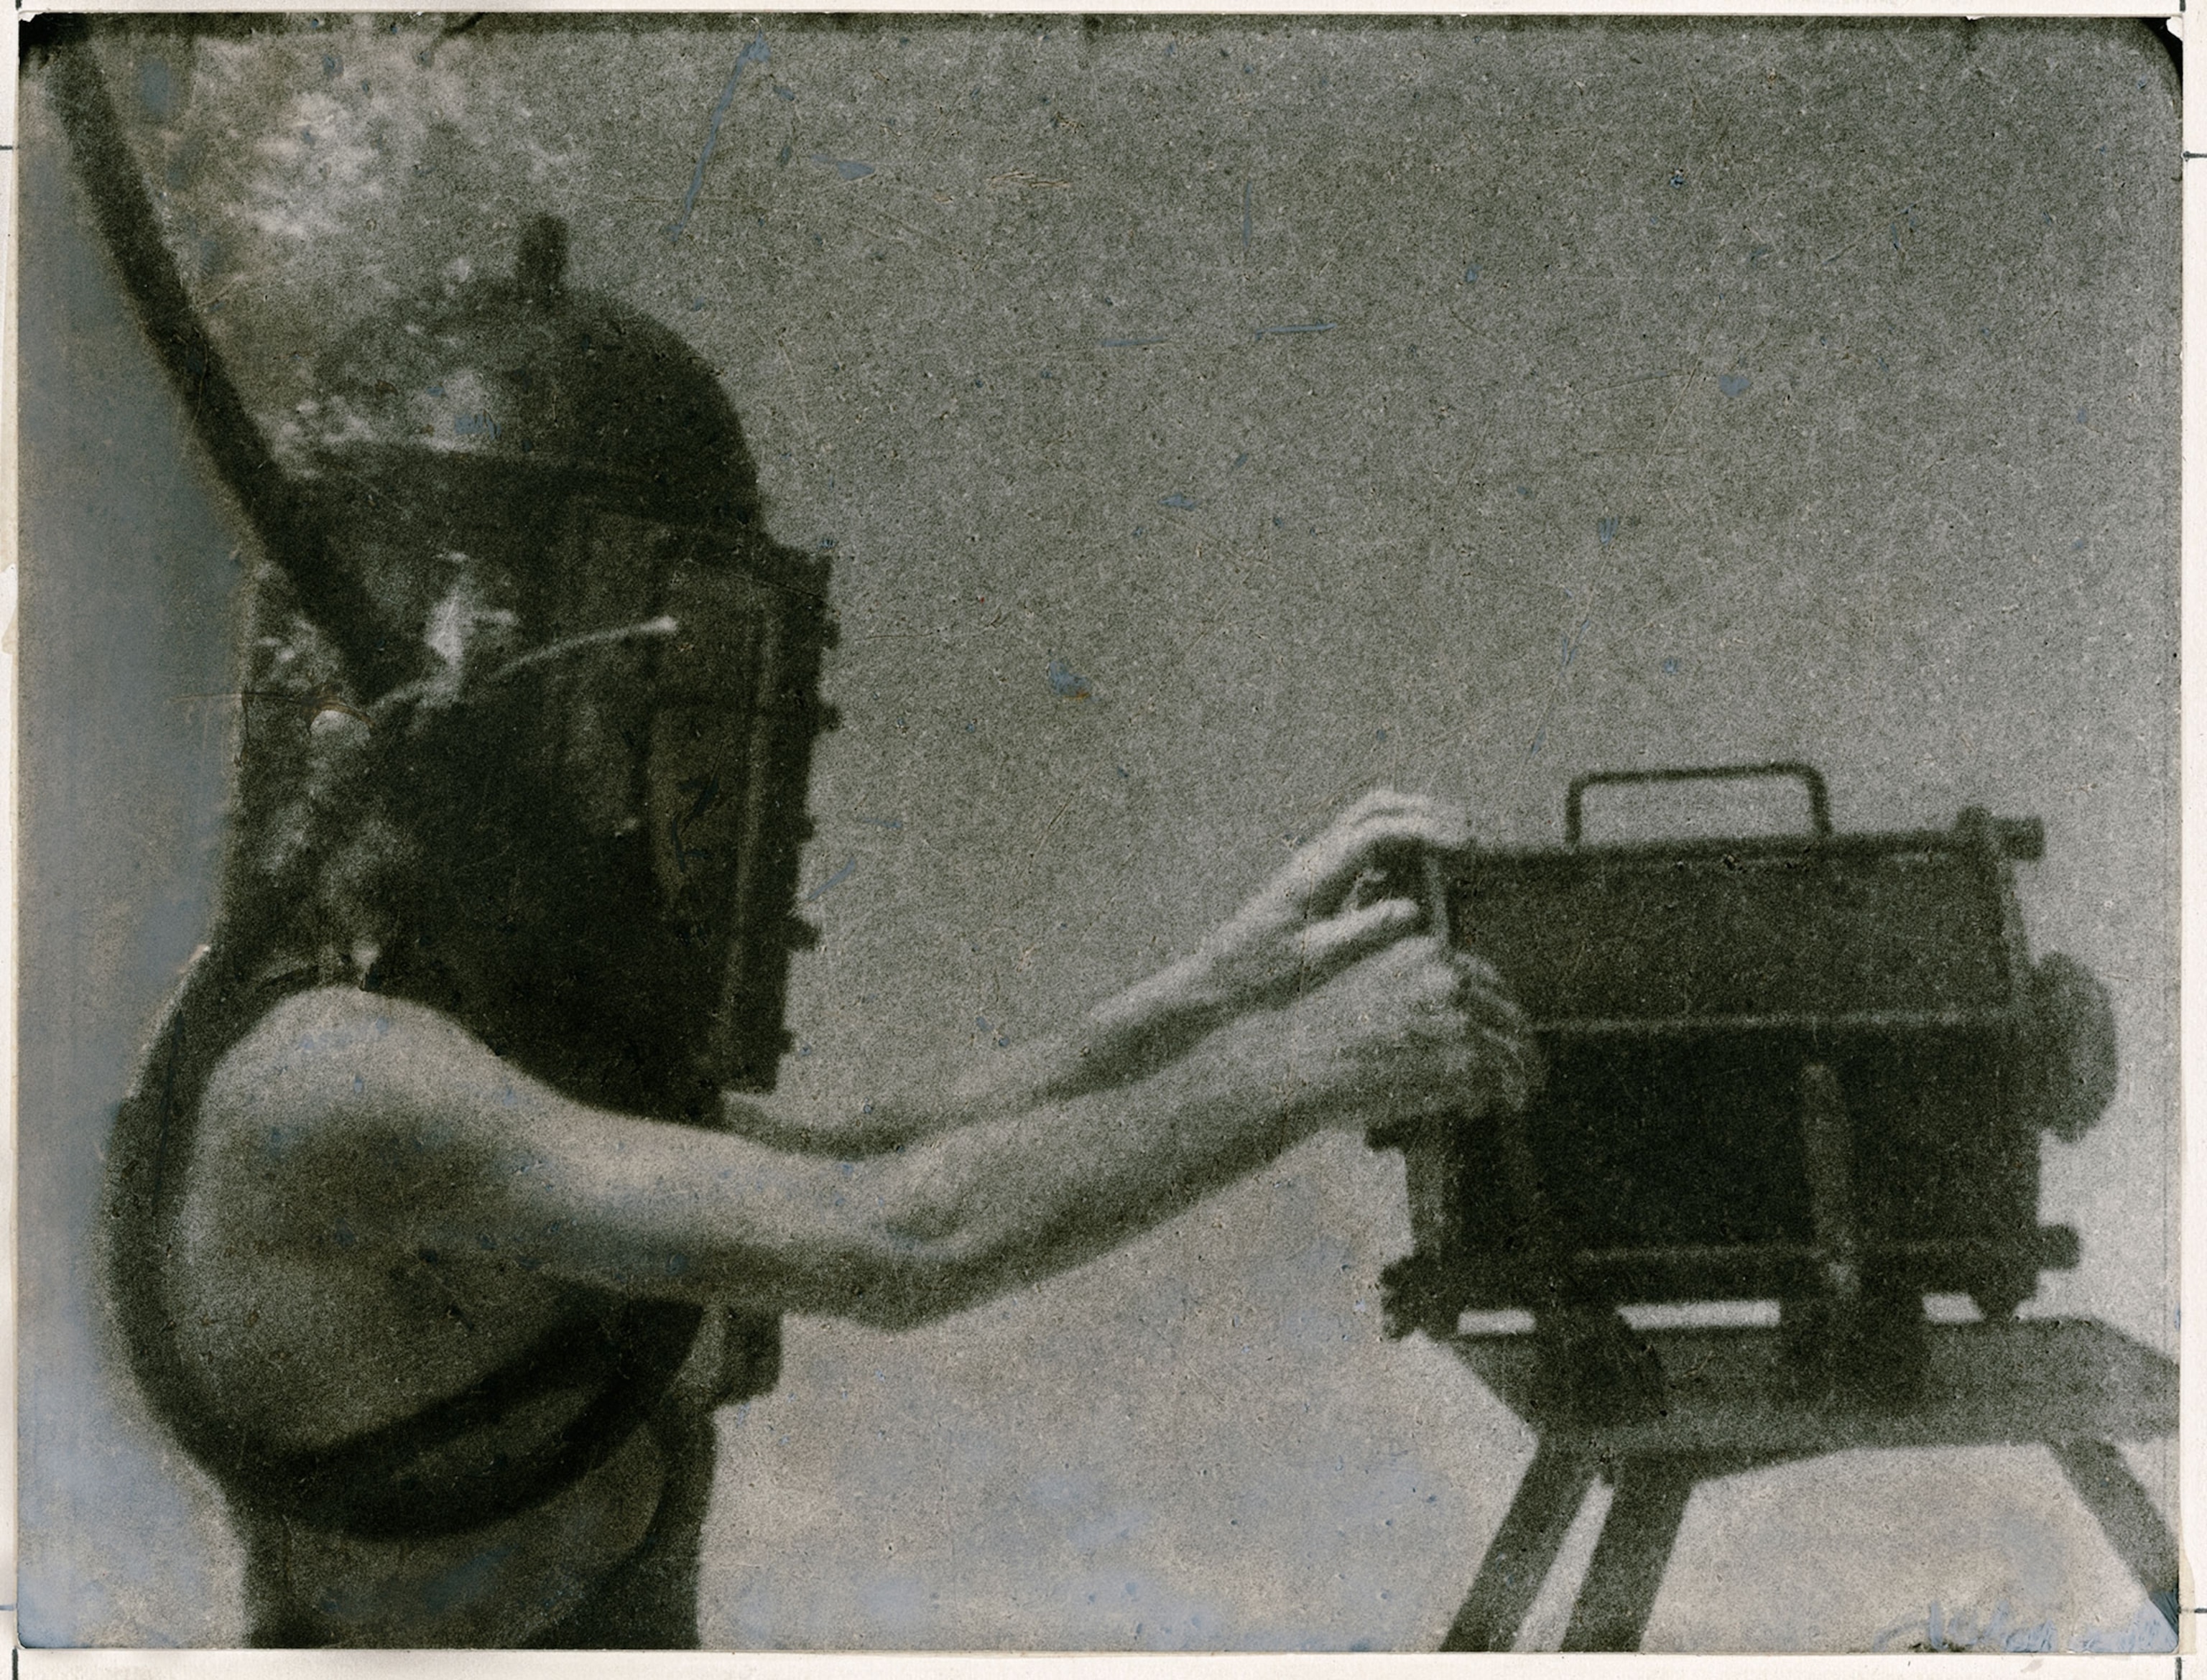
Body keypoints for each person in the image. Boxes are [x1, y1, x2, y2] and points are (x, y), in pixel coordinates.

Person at [104, 218, 1537, 1648]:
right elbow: (899, 1234)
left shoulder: (473, 1059)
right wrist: (1308, 1070)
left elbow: (871, 1153)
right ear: (487, 668)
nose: (672, 763)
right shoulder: (335, 1079)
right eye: (649, 686)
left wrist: (1226, 987)